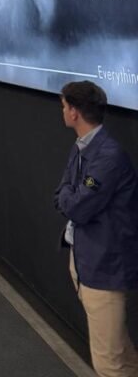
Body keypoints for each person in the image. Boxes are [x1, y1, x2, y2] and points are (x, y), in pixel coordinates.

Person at [54, 81, 138, 377]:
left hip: (104, 269)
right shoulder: (82, 148)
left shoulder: (107, 158)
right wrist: (70, 196)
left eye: (64, 106)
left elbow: (76, 205)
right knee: (119, 352)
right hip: (86, 262)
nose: (62, 112)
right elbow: (63, 192)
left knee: (108, 363)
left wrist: (70, 196)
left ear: (74, 112)